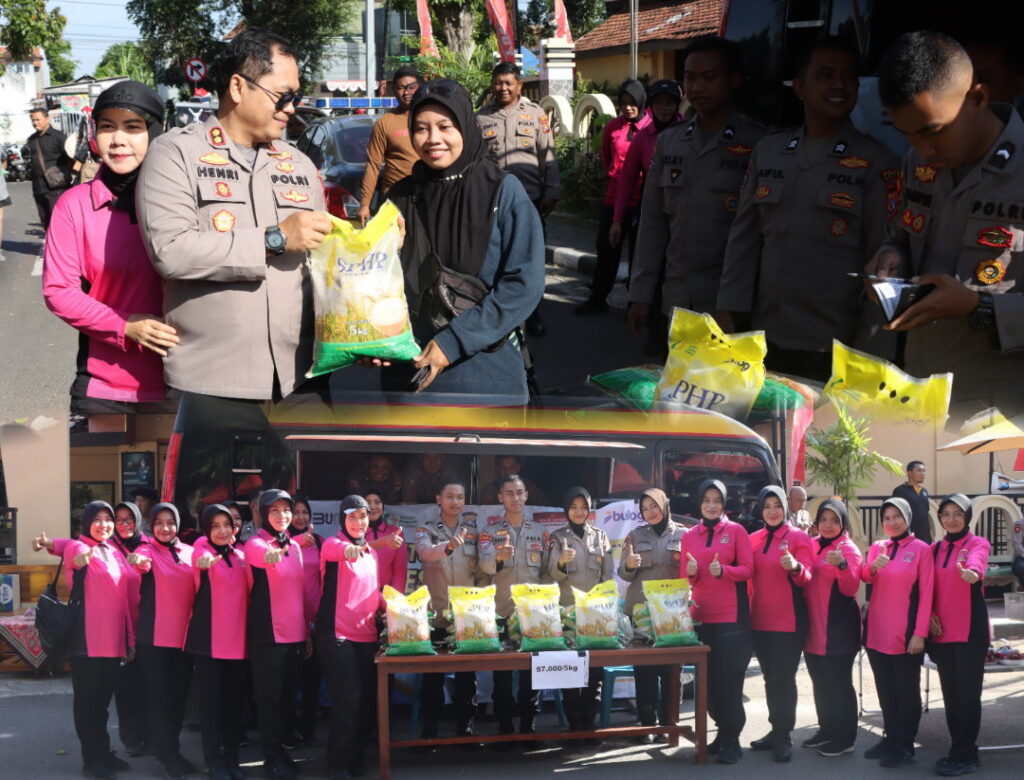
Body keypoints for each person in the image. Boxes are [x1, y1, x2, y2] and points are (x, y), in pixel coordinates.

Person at [137, 28, 331, 402]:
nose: (290, 107)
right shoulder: (176, 154)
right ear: (239, 88)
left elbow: (321, 259)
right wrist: (274, 239)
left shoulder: (299, 164)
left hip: (302, 378)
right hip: (212, 382)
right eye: (282, 95)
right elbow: (171, 251)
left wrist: (371, 246)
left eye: (296, 96)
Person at [718, 36, 900, 381]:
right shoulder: (769, 152)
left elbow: (883, 264)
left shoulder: (877, 163)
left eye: (848, 77)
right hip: (763, 336)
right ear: (799, 86)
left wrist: (870, 354)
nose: (838, 85)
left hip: (833, 347)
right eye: (826, 74)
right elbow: (743, 239)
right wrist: (730, 309)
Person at [870, 31, 1024, 420]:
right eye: (906, 134)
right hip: (919, 393)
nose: (923, 150)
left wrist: (978, 306)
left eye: (932, 131)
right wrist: (890, 259)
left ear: (977, 98)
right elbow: (901, 236)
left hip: (1003, 411)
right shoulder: (917, 164)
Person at [380, 79, 545, 404]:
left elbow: (524, 284)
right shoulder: (398, 198)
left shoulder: (502, 191)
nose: (433, 139)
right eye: (421, 128)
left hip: (486, 382)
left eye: (445, 126)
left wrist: (454, 341)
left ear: (466, 127)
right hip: (412, 380)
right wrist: (385, 255)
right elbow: (374, 288)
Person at [41, 81, 176, 416]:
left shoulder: (184, 202)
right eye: (107, 127)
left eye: (133, 127)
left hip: (190, 383)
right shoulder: (73, 206)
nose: (118, 140)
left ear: (157, 132)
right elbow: (58, 290)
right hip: (107, 389)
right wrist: (124, 326)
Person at [629, 37, 765, 335]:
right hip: (677, 303)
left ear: (734, 80)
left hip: (732, 309)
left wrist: (733, 303)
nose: (697, 87)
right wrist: (640, 293)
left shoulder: (758, 144)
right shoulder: (670, 142)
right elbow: (652, 224)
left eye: (709, 77)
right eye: (690, 78)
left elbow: (759, 236)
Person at [476, 62, 559, 337]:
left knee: (529, 260)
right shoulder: (481, 118)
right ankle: (499, 315)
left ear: (519, 86)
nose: (503, 88)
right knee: (495, 260)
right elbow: (475, 162)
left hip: (529, 200)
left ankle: (532, 314)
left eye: (508, 83)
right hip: (493, 201)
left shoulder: (536, 115)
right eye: (498, 82)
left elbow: (548, 154)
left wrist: (552, 190)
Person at [680, 479, 753, 764]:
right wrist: (692, 573)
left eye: (717, 500)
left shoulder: (736, 531)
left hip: (731, 619)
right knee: (707, 684)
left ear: (724, 504)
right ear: (699, 503)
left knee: (730, 682)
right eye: (706, 500)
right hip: (701, 618)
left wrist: (724, 571)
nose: (712, 505)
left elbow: (748, 569)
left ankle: (732, 739)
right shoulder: (689, 535)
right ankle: (721, 735)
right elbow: (684, 578)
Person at [861, 496, 934, 768]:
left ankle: (905, 745)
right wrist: (873, 567)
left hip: (905, 633)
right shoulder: (879, 547)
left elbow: (926, 594)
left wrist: (920, 633)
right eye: (887, 518)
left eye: (897, 517)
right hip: (877, 630)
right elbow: (865, 576)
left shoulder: (921, 549)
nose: (892, 522)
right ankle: (891, 738)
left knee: (906, 691)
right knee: (885, 690)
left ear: (907, 518)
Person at [63, 501, 135, 779]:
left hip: (112, 640)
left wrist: (128, 639)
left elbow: (122, 600)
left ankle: (103, 751)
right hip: (87, 641)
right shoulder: (79, 547)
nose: (104, 524)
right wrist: (79, 559)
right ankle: (91, 759)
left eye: (109, 519)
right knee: (88, 704)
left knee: (102, 704)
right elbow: (74, 557)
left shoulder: (112, 550)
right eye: (98, 519)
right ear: (87, 522)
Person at [243, 489, 312, 780]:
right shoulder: (256, 543)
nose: (283, 516)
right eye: (276, 511)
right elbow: (264, 557)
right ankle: (270, 757)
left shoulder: (294, 547)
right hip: (268, 634)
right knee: (268, 699)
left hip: (296, 634)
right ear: (264, 514)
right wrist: (278, 550)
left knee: (286, 699)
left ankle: (282, 751)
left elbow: (300, 593)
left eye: (287, 510)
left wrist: (307, 631)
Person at [126, 502, 197, 780]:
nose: (165, 528)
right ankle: (165, 756)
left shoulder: (189, 552)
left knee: (178, 700)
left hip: (184, 640)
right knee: (160, 701)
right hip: (154, 641)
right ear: (151, 526)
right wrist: (138, 561)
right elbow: (140, 562)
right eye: (159, 523)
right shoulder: (147, 550)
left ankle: (174, 751)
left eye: (170, 522)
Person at [317, 495, 383, 780]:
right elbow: (347, 552)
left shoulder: (373, 554)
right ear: (342, 520)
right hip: (336, 635)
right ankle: (338, 765)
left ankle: (355, 757)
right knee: (348, 699)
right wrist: (366, 545)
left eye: (363, 516)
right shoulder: (333, 544)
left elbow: (374, 592)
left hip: (367, 635)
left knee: (366, 699)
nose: (359, 522)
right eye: (352, 517)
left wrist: (402, 606)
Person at [478, 474, 549, 737]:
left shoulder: (541, 532)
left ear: (526, 495)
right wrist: (497, 557)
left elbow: (546, 574)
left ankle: (528, 729)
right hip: (501, 612)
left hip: (532, 615)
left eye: (519, 492)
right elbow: (485, 567)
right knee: (503, 676)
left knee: (532, 674)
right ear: (500, 498)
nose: (515, 498)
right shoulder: (490, 531)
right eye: (509, 493)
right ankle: (505, 729)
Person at [747, 486, 813, 762]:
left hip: (789, 620)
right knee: (769, 677)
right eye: (766, 506)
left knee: (784, 679)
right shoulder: (753, 538)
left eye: (777, 505)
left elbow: (808, 575)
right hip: (759, 619)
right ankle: (775, 730)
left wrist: (796, 566)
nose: (772, 511)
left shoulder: (798, 537)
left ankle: (784, 735)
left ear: (786, 507)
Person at [186, 504, 251, 780]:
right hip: (209, 642)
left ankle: (232, 758)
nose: (222, 530)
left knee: (234, 706)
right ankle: (214, 761)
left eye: (227, 525)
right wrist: (203, 560)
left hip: (239, 641)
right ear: (206, 530)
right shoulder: (202, 551)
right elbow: (198, 558)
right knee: (211, 706)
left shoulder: (240, 556)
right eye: (215, 526)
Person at [928, 494, 991, 777]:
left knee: (967, 695)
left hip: (969, 633)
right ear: (940, 517)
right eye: (946, 514)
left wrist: (973, 573)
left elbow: (978, 561)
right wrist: (928, 616)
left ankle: (965, 754)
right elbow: (927, 585)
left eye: (957, 513)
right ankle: (960, 749)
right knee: (952, 697)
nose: (951, 519)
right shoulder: (935, 549)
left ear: (967, 516)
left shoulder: (977, 543)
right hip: (941, 632)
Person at [618, 487, 686, 742]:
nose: (650, 512)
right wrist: (628, 565)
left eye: (654, 506)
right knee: (645, 671)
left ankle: (670, 724)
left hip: (672, 613)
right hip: (642, 613)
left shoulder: (683, 534)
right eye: (645, 508)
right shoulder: (635, 536)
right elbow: (624, 575)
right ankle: (647, 725)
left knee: (672, 670)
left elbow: (691, 574)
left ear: (664, 505)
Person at [576, 79, 649, 315]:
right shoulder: (614, 127)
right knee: (607, 249)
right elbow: (607, 157)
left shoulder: (651, 127)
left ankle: (635, 304)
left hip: (643, 199)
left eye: (632, 103)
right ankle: (598, 298)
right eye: (624, 103)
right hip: (615, 196)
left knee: (640, 253)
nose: (628, 107)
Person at [414, 479, 480, 739]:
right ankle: (430, 727)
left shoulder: (474, 532)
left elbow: (480, 574)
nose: (455, 502)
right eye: (450, 496)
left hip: (465, 617)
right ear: (438, 499)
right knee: (433, 677)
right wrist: (449, 546)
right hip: (437, 617)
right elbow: (425, 553)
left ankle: (466, 726)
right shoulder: (426, 529)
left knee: (467, 677)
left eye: (460, 497)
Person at [801, 498, 862, 758]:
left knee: (839, 684)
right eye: (823, 519)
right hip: (813, 627)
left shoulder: (848, 549)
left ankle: (845, 736)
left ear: (842, 522)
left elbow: (851, 589)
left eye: (834, 520)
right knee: (820, 683)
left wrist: (842, 566)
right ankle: (826, 729)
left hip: (838, 627)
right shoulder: (811, 545)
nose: (827, 525)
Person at [548, 487, 612, 733]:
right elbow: (551, 574)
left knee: (594, 673)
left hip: (595, 616)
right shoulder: (557, 537)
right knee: (569, 673)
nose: (579, 512)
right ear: (566, 510)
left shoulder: (601, 537)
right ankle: (575, 726)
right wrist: (562, 562)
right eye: (573, 507)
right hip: (567, 616)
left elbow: (607, 577)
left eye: (583, 507)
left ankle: (589, 725)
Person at [357, 66, 421, 226]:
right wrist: (365, 204)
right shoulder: (385, 123)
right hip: (395, 199)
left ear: (419, 87)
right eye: (401, 88)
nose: (406, 92)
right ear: (394, 90)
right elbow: (373, 165)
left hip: (427, 195)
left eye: (411, 87)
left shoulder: (430, 117)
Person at [110, 502, 148, 757]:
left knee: (150, 686)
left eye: (129, 519)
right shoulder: (108, 548)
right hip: (121, 629)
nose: (124, 524)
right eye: (119, 519)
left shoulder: (150, 545)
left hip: (151, 628)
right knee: (126, 689)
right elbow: (71, 547)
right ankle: (131, 738)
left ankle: (151, 735)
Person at [288, 496, 323, 747]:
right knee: (291, 680)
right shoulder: (281, 542)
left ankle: (308, 728)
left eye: (305, 512)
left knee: (313, 679)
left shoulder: (319, 540)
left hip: (317, 618)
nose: (301, 517)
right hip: (291, 619)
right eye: (296, 512)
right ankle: (288, 731)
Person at [26, 107, 73, 228]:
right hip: (38, 187)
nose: (35, 123)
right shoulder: (31, 139)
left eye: (38, 119)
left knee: (58, 219)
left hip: (56, 186)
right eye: (33, 120)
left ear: (47, 119)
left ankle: (62, 245)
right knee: (45, 219)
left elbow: (70, 158)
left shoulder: (58, 137)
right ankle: (49, 245)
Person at [364, 489, 408, 593]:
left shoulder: (395, 532)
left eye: (377, 502)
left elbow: (400, 571)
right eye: (368, 502)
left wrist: (393, 600)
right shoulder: (355, 533)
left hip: (387, 596)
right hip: (361, 596)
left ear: (383, 506)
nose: (373, 506)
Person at [891, 460, 932, 543]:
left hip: (925, 538)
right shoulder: (900, 491)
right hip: (907, 538)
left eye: (924, 471)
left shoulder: (924, 491)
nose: (923, 473)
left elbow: (926, 515)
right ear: (910, 473)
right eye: (919, 470)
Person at [481, 455, 545, 505]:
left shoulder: (530, 488)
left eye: (511, 467)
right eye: (503, 467)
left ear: (518, 468)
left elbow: (540, 509)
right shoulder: (490, 489)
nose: (507, 472)